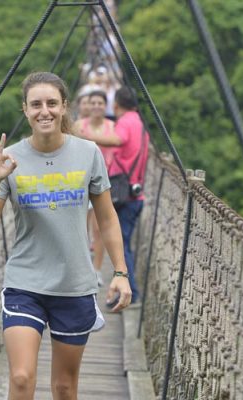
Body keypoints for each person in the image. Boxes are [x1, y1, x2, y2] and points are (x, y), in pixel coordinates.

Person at [0, 72, 132, 400]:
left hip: (73, 285)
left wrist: (120, 272)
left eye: (51, 103)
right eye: (35, 105)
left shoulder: (88, 153)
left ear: (64, 107)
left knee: (63, 387)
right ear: (25, 110)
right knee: (19, 377)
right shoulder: (10, 159)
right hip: (24, 282)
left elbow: (106, 216)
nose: (43, 111)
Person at [76, 86, 148, 306]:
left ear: (115, 105)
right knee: (111, 235)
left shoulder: (125, 122)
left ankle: (130, 293)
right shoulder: (139, 121)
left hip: (125, 193)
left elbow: (115, 141)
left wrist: (82, 134)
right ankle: (123, 288)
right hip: (134, 189)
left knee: (120, 243)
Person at [72, 90, 117, 287]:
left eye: (100, 103)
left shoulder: (112, 126)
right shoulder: (77, 126)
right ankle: (80, 269)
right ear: (87, 106)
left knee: (99, 229)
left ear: (105, 106)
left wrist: (89, 138)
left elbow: (119, 144)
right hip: (79, 182)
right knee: (78, 227)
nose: (97, 106)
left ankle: (97, 270)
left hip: (103, 183)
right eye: (93, 103)